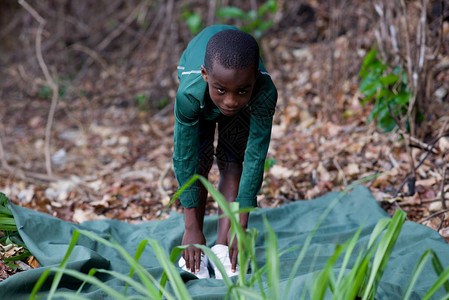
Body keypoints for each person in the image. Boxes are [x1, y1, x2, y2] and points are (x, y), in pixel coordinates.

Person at [173, 24, 277, 279]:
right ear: (206, 74)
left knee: (232, 161)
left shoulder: (263, 92)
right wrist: (190, 228)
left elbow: (255, 156)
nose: (230, 101)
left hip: (240, 104)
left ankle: (222, 246)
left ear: (255, 78)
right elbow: (183, 157)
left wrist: (241, 225)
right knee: (198, 161)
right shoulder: (189, 94)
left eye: (241, 90)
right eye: (222, 90)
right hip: (202, 103)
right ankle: (197, 246)